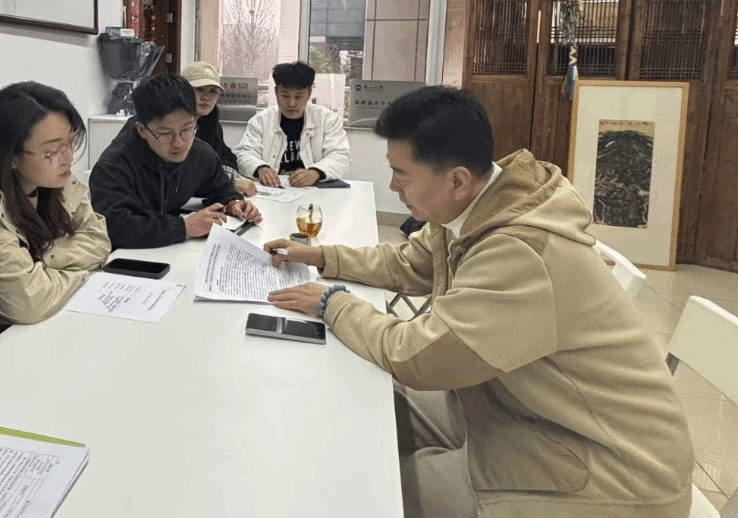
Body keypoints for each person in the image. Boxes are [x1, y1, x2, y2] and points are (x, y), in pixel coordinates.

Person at [264, 86, 693, 518]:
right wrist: (322, 256)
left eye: (401, 174)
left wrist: (332, 304)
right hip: (518, 408)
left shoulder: (520, 250)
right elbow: (409, 263)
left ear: (456, 179)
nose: (392, 186)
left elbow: (418, 356)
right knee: (369, 407)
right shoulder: (477, 205)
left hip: (607, 470)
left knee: (376, 491)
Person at [0, 82, 110, 331]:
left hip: (36, 330)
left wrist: (44, 260)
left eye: (72, 142)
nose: (68, 157)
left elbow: (98, 239)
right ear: (11, 156)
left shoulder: (54, 179)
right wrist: (83, 271)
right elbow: (30, 302)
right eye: (52, 151)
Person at [89, 73, 262, 249]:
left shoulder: (200, 153)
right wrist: (184, 227)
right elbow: (115, 226)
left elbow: (221, 187)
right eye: (165, 134)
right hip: (127, 256)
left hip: (173, 251)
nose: (179, 143)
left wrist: (234, 204)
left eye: (187, 129)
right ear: (142, 130)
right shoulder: (113, 166)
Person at [235, 61, 350, 188]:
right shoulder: (260, 121)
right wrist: (260, 168)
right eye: (285, 96)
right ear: (276, 92)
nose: (291, 104)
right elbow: (244, 154)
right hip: (273, 189)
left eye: (298, 97)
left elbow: (340, 156)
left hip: (315, 190)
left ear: (309, 94)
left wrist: (316, 172)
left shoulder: (327, 119)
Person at [180, 61, 257, 197]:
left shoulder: (210, 122)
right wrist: (228, 181)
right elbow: (181, 173)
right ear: (181, 91)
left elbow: (226, 157)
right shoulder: (170, 125)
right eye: (199, 89)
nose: (206, 97)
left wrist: (226, 177)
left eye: (213, 91)